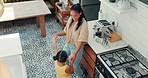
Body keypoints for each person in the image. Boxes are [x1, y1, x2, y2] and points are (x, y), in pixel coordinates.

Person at [52, 3, 88, 78]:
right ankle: (67, 71)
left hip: (77, 47)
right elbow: (65, 31)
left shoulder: (84, 24)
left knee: (74, 65)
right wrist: (57, 34)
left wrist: (74, 54)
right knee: (65, 60)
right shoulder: (71, 19)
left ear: (80, 13)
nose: (73, 17)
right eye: (71, 15)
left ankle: (81, 76)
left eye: (75, 15)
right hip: (68, 44)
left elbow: (80, 41)